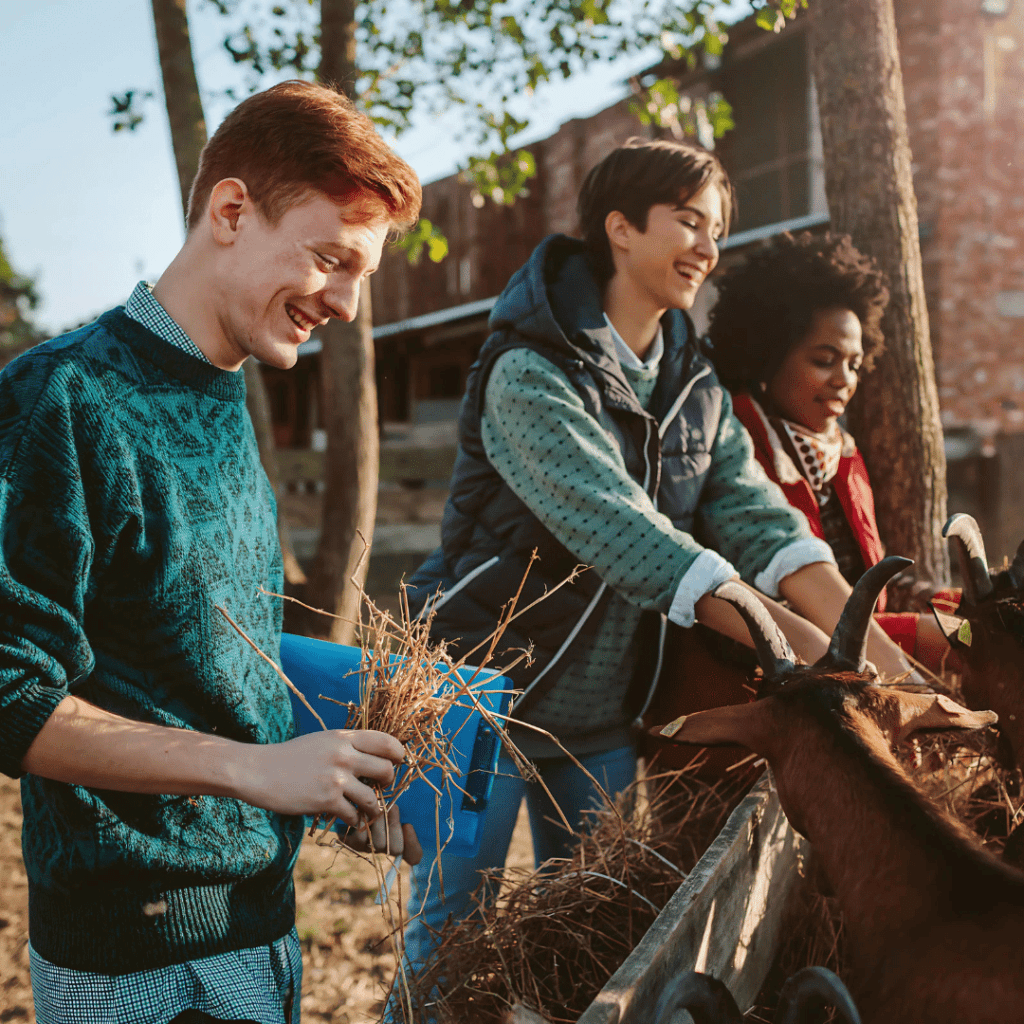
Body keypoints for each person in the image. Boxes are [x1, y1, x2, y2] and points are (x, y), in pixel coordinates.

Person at [397, 139, 919, 976]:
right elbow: (627, 536)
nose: (708, 248)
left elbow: (762, 524)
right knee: (449, 944)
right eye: (688, 222)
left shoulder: (696, 386)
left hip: (602, 710)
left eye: (716, 229)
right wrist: (814, 657)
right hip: (477, 692)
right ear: (620, 230)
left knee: (587, 939)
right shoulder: (528, 371)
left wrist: (888, 666)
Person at [0, 80, 422, 1024]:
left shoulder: (229, 386)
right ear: (231, 210)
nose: (348, 305)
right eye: (330, 259)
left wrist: (326, 768)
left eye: (361, 276)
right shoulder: (59, 400)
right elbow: (10, 695)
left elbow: (196, 655)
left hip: (258, 924)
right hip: (138, 953)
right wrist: (251, 768)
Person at [706, 230, 954, 667]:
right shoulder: (734, 447)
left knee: (978, 630)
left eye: (854, 364)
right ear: (767, 354)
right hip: (788, 661)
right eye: (824, 360)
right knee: (961, 641)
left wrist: (949, 603)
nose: (844, 379)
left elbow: (869, 585)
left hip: (868, 640)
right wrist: (931, 629)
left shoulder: (844, 452)